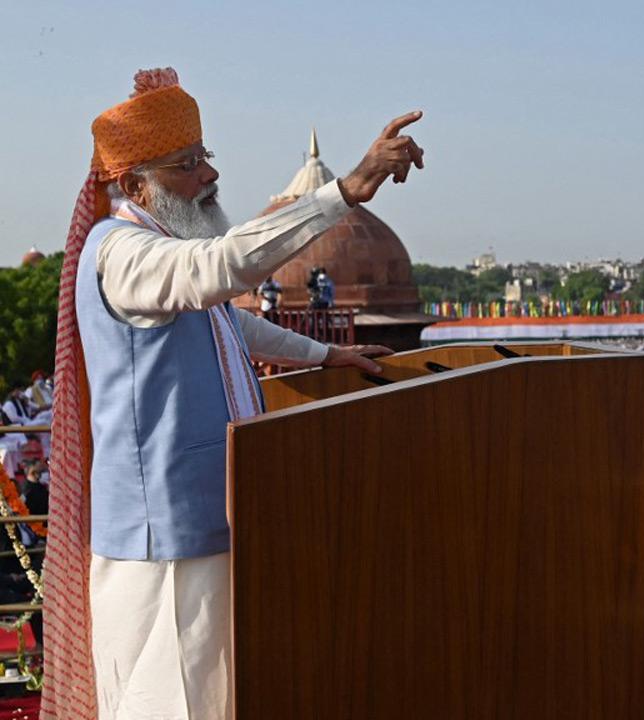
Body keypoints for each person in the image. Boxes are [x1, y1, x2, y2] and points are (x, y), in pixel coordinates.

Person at [44, 68, 424, 720]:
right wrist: (345, 192)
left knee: (217, 696)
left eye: (205, 158)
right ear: (134, 185)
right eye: (185, 166)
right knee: (169, 702)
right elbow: (220, 269)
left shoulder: (165, 249)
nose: (207, 176)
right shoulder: (122, 252)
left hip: (211, 516)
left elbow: (227, 319)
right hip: (162, 534)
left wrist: (327, 354)